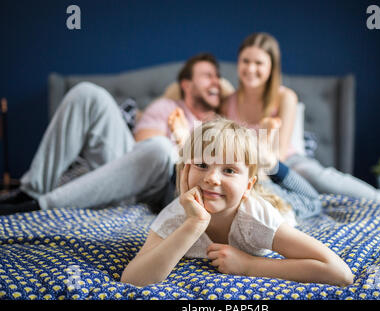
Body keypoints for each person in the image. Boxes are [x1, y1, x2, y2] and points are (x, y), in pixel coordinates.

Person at [120, 119, 354, 287]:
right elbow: (132, 279)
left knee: (310, 201)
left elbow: (340, 273)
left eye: (228, 169)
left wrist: (250, 266)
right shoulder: (177, 216)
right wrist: (194, 224)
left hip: (282, 203)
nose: (211, 178)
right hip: (242, 190)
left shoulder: (258, 220)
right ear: (184, 171)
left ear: (247, 186)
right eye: (202, 165)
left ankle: (271, 160)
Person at [0, 53, 224, 215]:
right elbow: (140, 151)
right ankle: (31, 191)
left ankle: (40, 206)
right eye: (208, 76)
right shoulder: (165, 107)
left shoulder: (222, 122)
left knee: (163, 148)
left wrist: (183, 142)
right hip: (132, 173)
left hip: (164, 190)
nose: (217, 82)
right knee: (87, 93)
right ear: (187, 85)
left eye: (218, 77)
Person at [221, 32, 380, 205]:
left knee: (318, 178)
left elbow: (280, 153)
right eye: (246, 61)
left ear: (272, 67)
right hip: (245, 168)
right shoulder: (227, 102)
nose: (250, 69)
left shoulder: (285, 97)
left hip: (286, 162)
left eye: (259, 63)